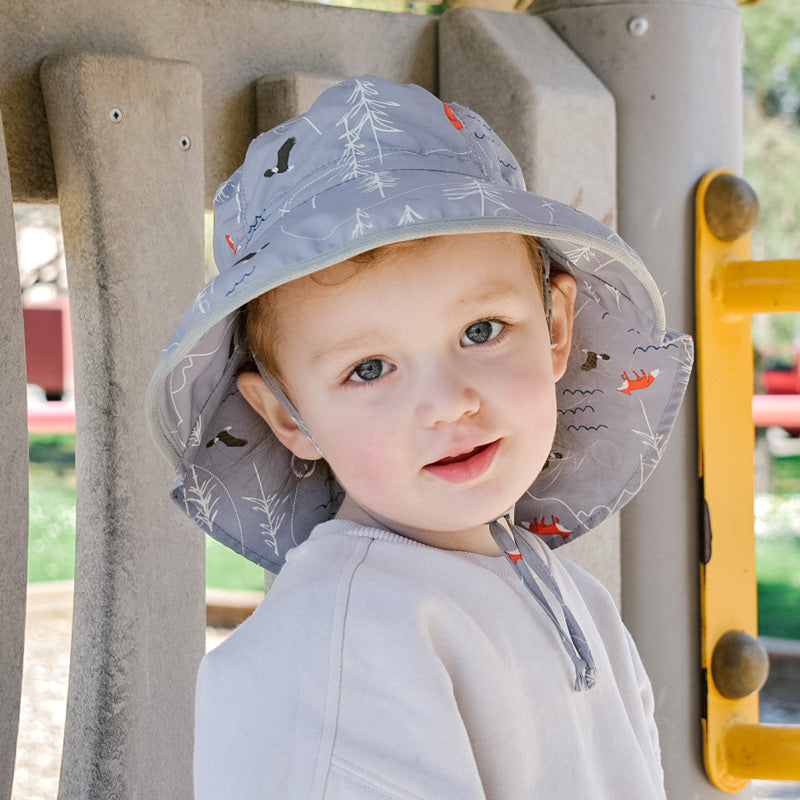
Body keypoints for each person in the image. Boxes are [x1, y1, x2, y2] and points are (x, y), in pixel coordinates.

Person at [146, 75, 693, 799]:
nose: (446, 404)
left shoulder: (571, 598)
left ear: (557, 330)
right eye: (369, 369)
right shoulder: (336, 649)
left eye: (480, 331)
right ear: (289, 416)